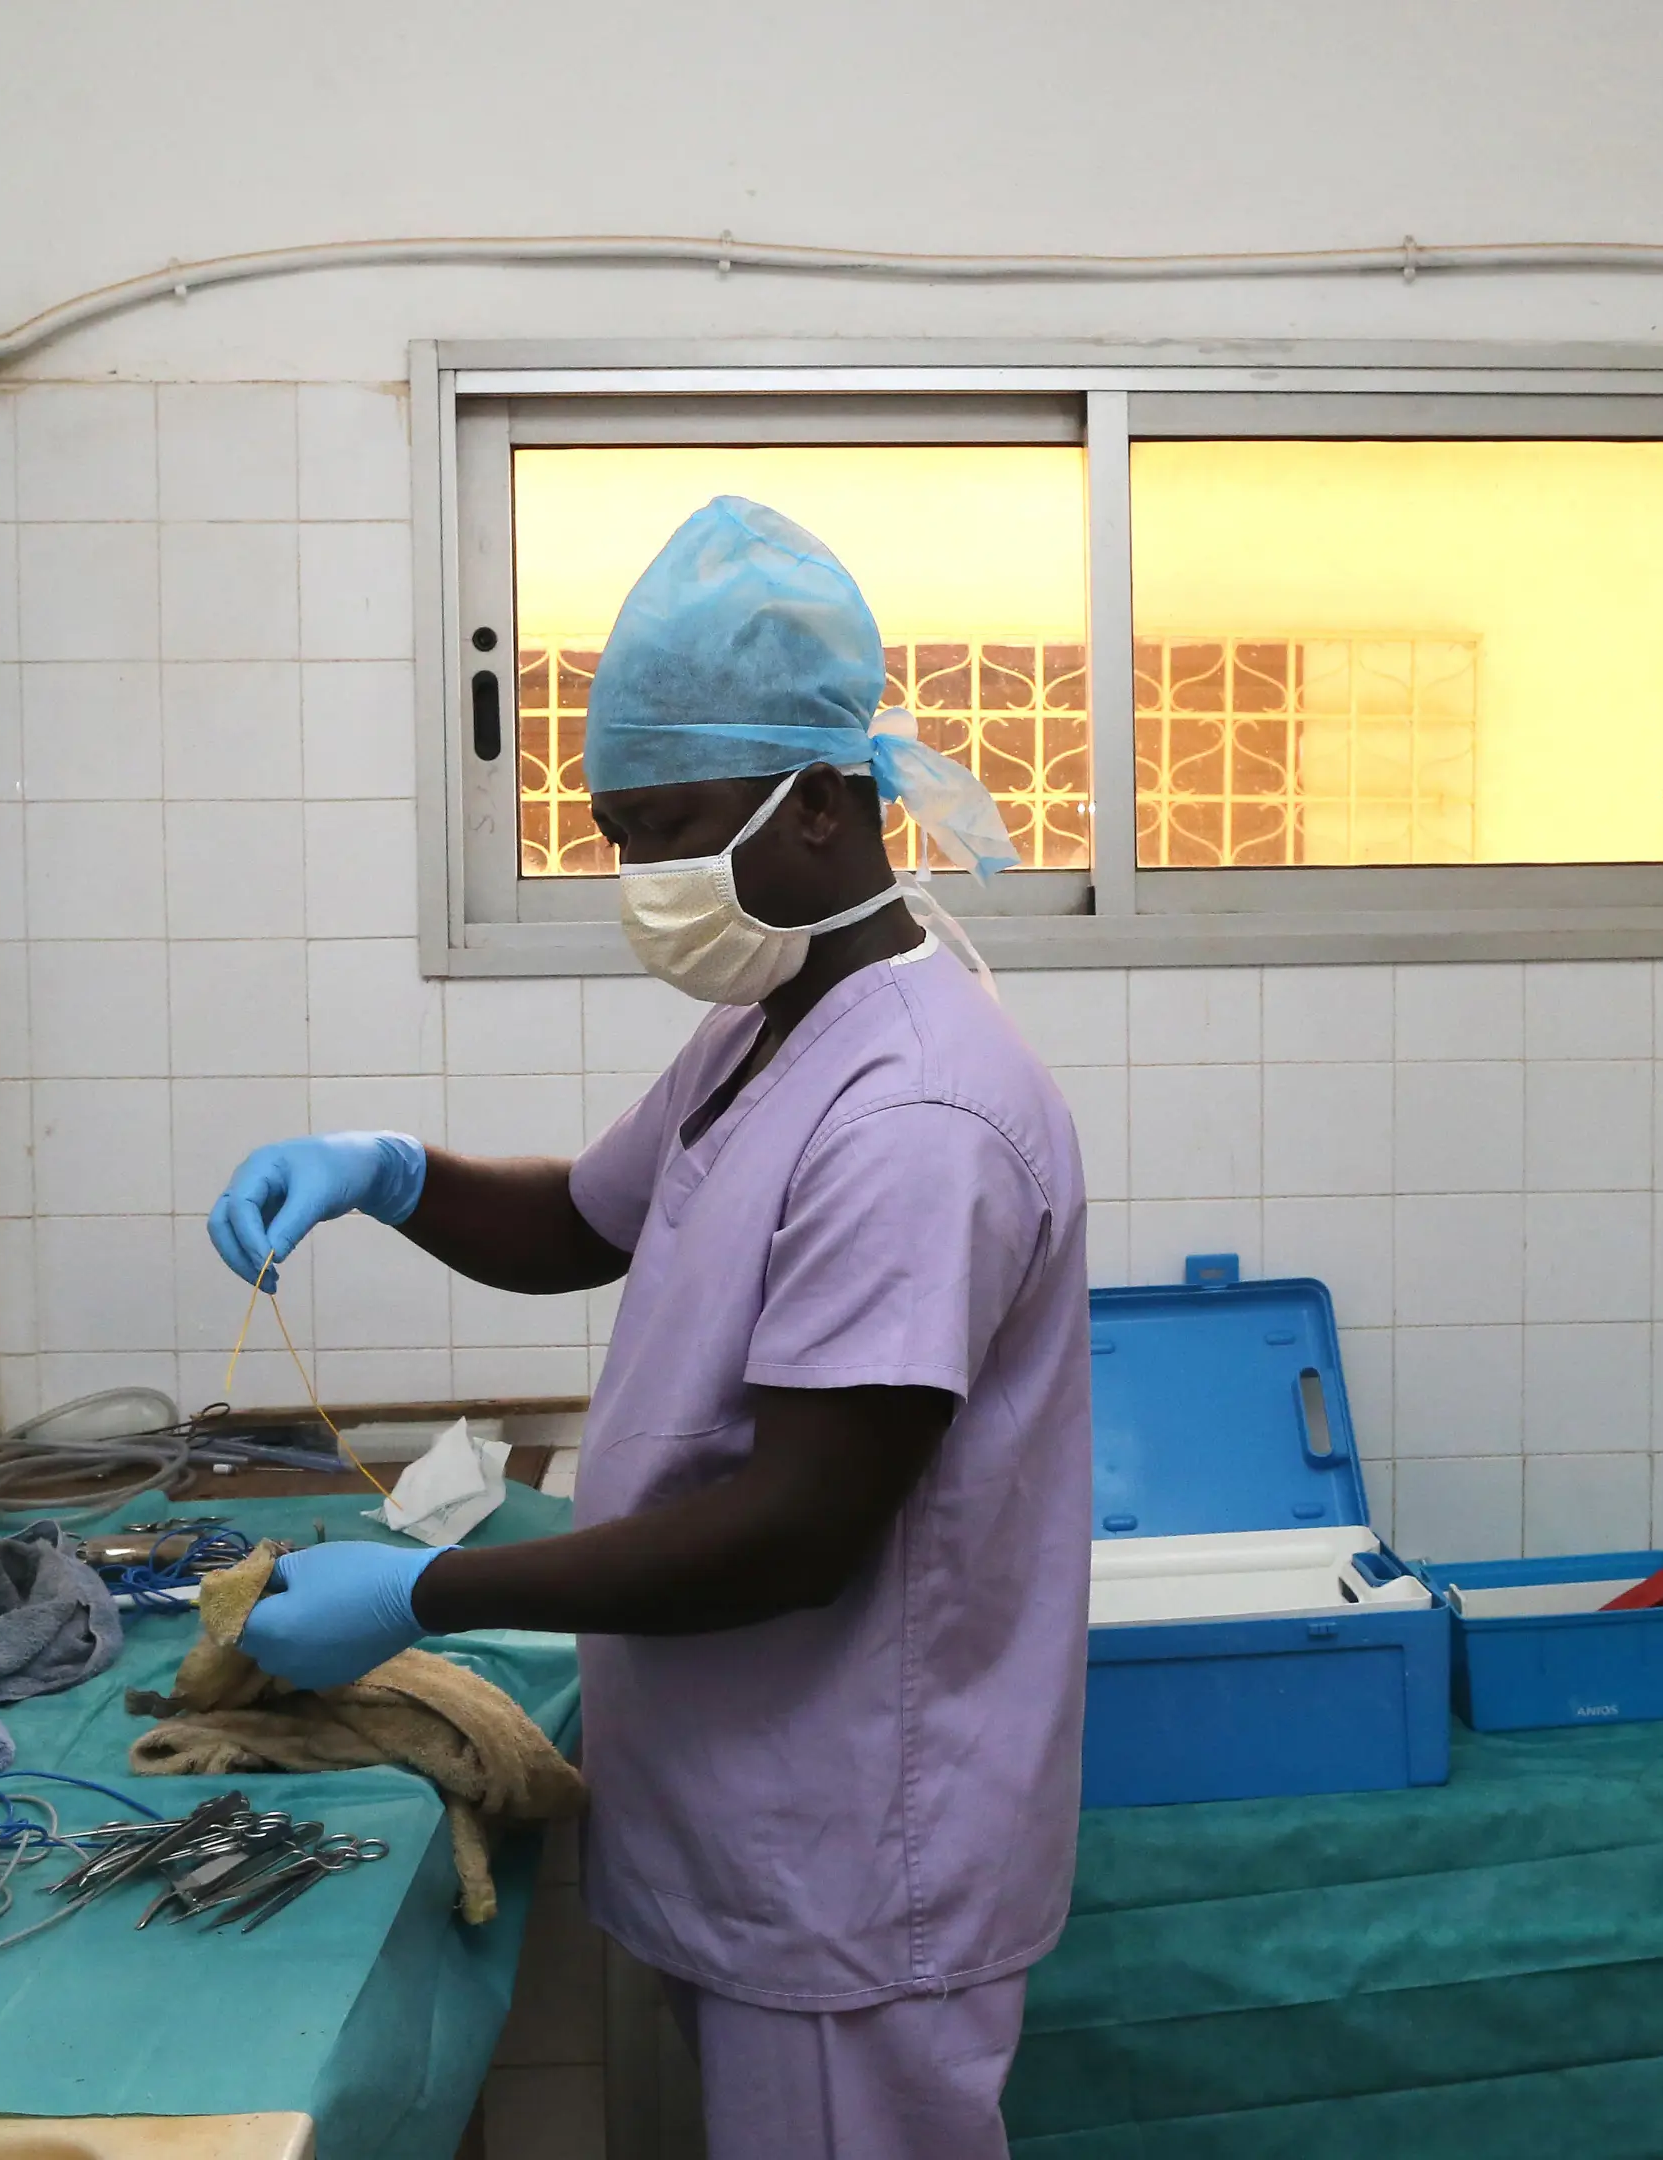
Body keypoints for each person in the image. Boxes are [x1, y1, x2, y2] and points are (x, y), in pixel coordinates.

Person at [205, 497, 1091, 2159]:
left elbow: (797, 1532)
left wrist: (424, 1592)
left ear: (824, 804)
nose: (641, 882)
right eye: (618, 834)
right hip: (757, 1807)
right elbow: (578, 1225)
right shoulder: (775, 1025)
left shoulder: (917, 1111)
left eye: (668, 828)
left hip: (852, 1843)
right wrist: (383, 1174)